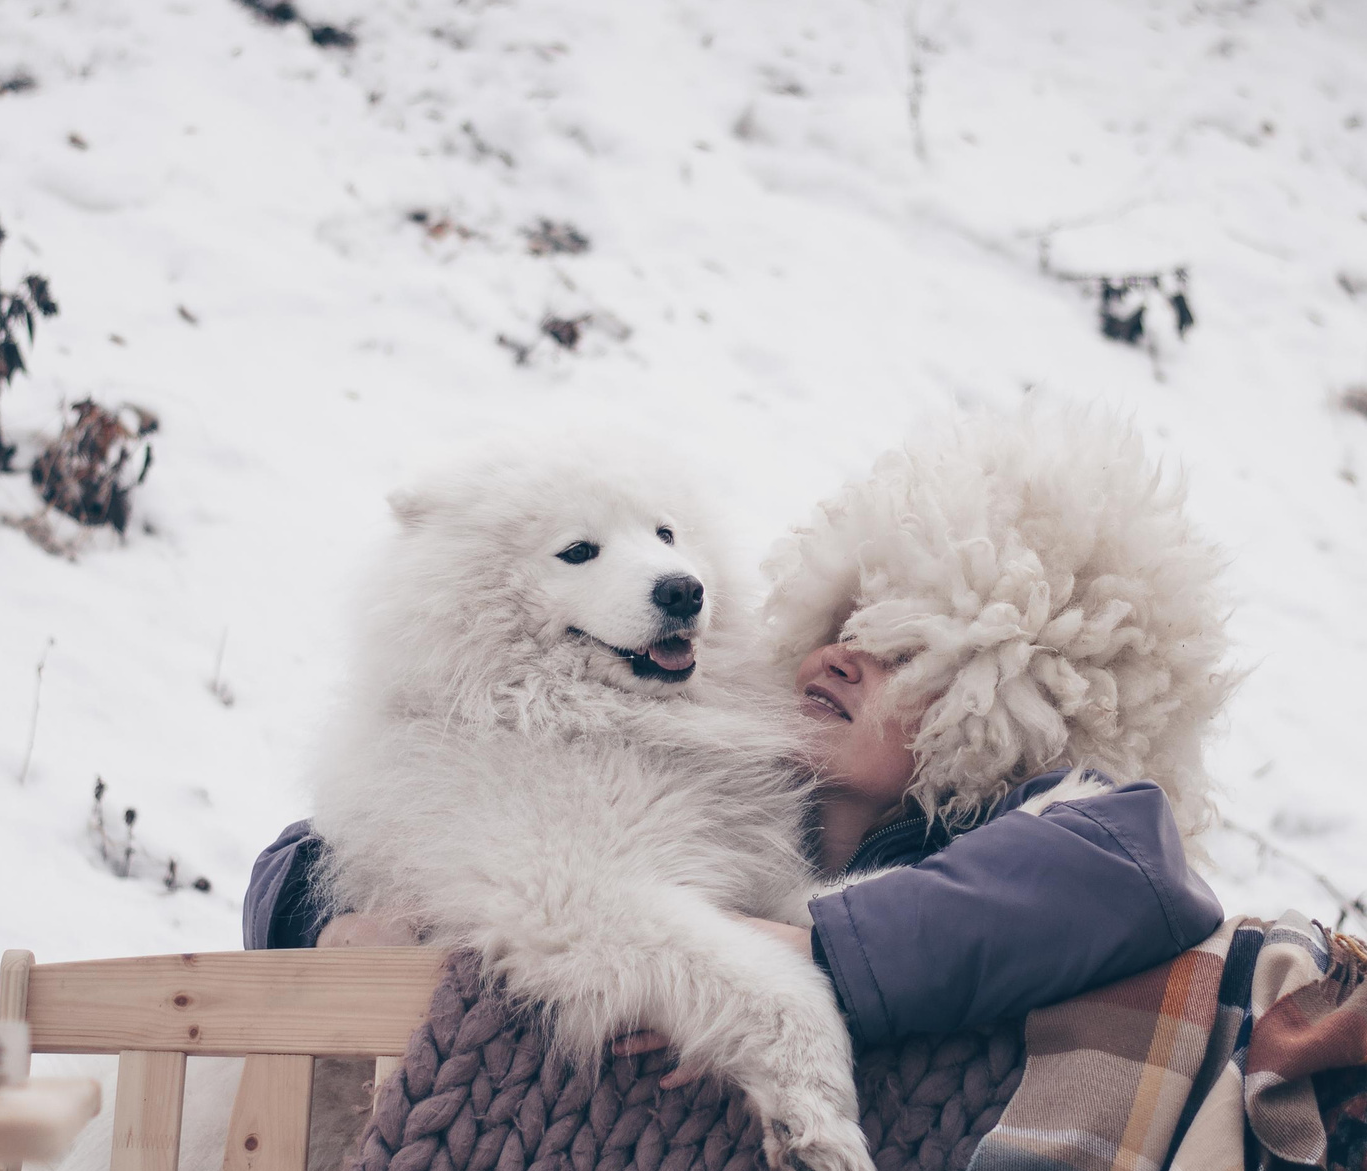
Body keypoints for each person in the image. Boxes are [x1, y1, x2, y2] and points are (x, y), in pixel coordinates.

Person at [243, 399, 1239, 1057]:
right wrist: (318, 917)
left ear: (1015, 716)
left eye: (901, 656)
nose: (838, 659)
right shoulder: (726, 777)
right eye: (836, 627)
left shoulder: (1009, 858)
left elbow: (1130, 867)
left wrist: (780, 957)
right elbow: (351, 839)